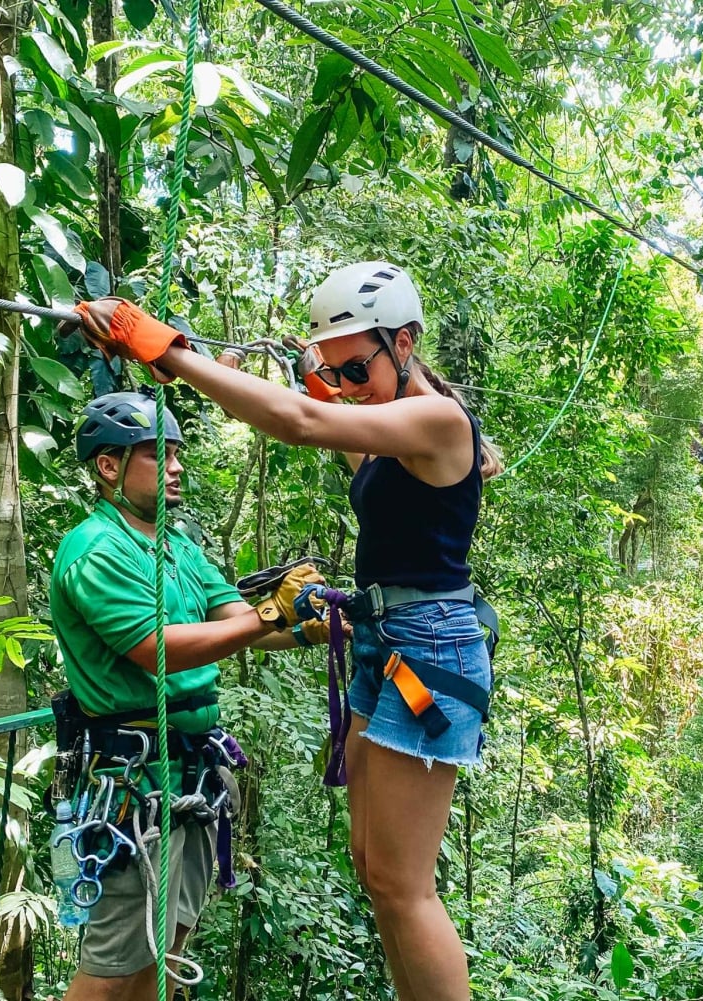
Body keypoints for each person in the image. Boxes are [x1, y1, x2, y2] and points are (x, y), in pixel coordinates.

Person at [72, 261, 497, 1001]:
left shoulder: (438, 419)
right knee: (374, 867)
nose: (348, 383)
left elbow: (300, 423)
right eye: (337, 369)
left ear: (406, 342)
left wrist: (163, 348)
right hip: (388, 648)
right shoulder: (391, 424)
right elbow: (328, 420)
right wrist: (295, 373)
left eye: (358, 366)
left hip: (431, 651)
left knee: (404, 884)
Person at [53, 387, 331, 1001]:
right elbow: (158, 649)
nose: (178, 466)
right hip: (132, 781)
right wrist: (267, 616)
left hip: (190, 776)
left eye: (178, 453)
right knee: (114, 968)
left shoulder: (176, 547)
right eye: (160, 454)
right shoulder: (95, 551)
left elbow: (235, 619)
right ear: (110, 465)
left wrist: (303, 628)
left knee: (166, 952)